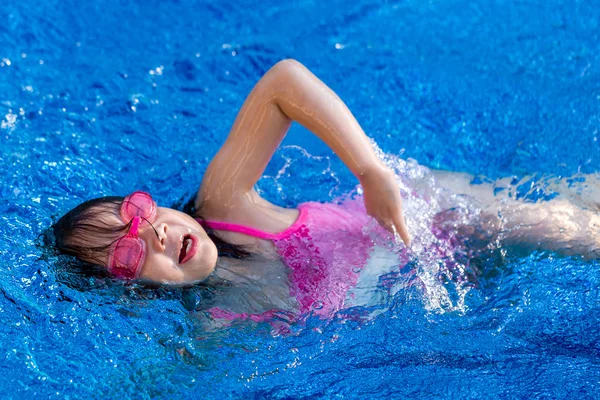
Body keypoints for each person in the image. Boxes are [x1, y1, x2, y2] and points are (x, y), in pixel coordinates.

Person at [53, 59, 600, 320]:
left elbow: (284, 82)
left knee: (561, 220)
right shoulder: (217, 322)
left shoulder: (225, 202)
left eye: (140, 212)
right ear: (129, 292)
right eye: (129, 253)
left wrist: (370, 173)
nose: (158, 234)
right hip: (444, 279)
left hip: (439, 217)